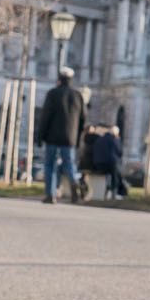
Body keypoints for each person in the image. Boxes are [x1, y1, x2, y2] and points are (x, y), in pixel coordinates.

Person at [34, 66, 85, 204]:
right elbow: (82, 119)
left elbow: (45, 116)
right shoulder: (77, 95)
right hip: (70, 138)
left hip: (52, 137)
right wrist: (78, 138)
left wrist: (40, 136)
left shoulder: (52, 94)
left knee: (50, 165)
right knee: (69, 164)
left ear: (59, 79)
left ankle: (51, 194)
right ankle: (74, 183)